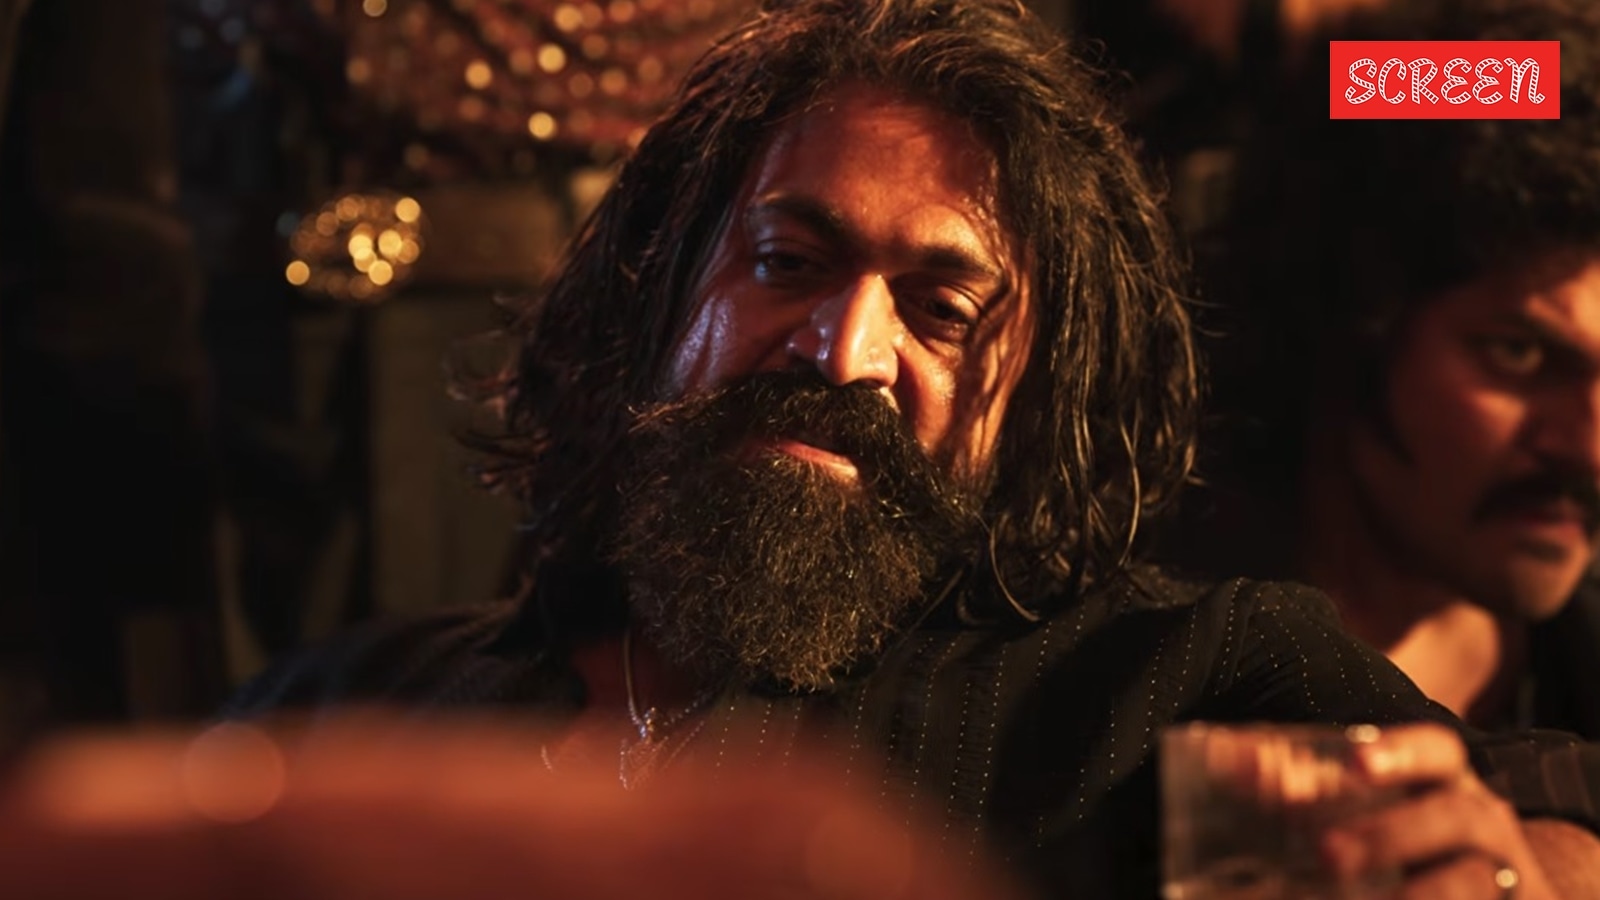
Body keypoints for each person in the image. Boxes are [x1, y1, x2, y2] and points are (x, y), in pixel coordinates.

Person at [223, 0, 1600, 897]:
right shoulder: (352, 706)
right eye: (787, 263)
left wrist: (1534, 857)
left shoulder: (1140, 708)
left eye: (941, 309)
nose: (847, 351)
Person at [1168, 0, 1600, 739]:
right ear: (1345, 321)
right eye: (1518, 354)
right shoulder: (1133, 671)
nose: (1590, 449)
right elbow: (1354, 86)